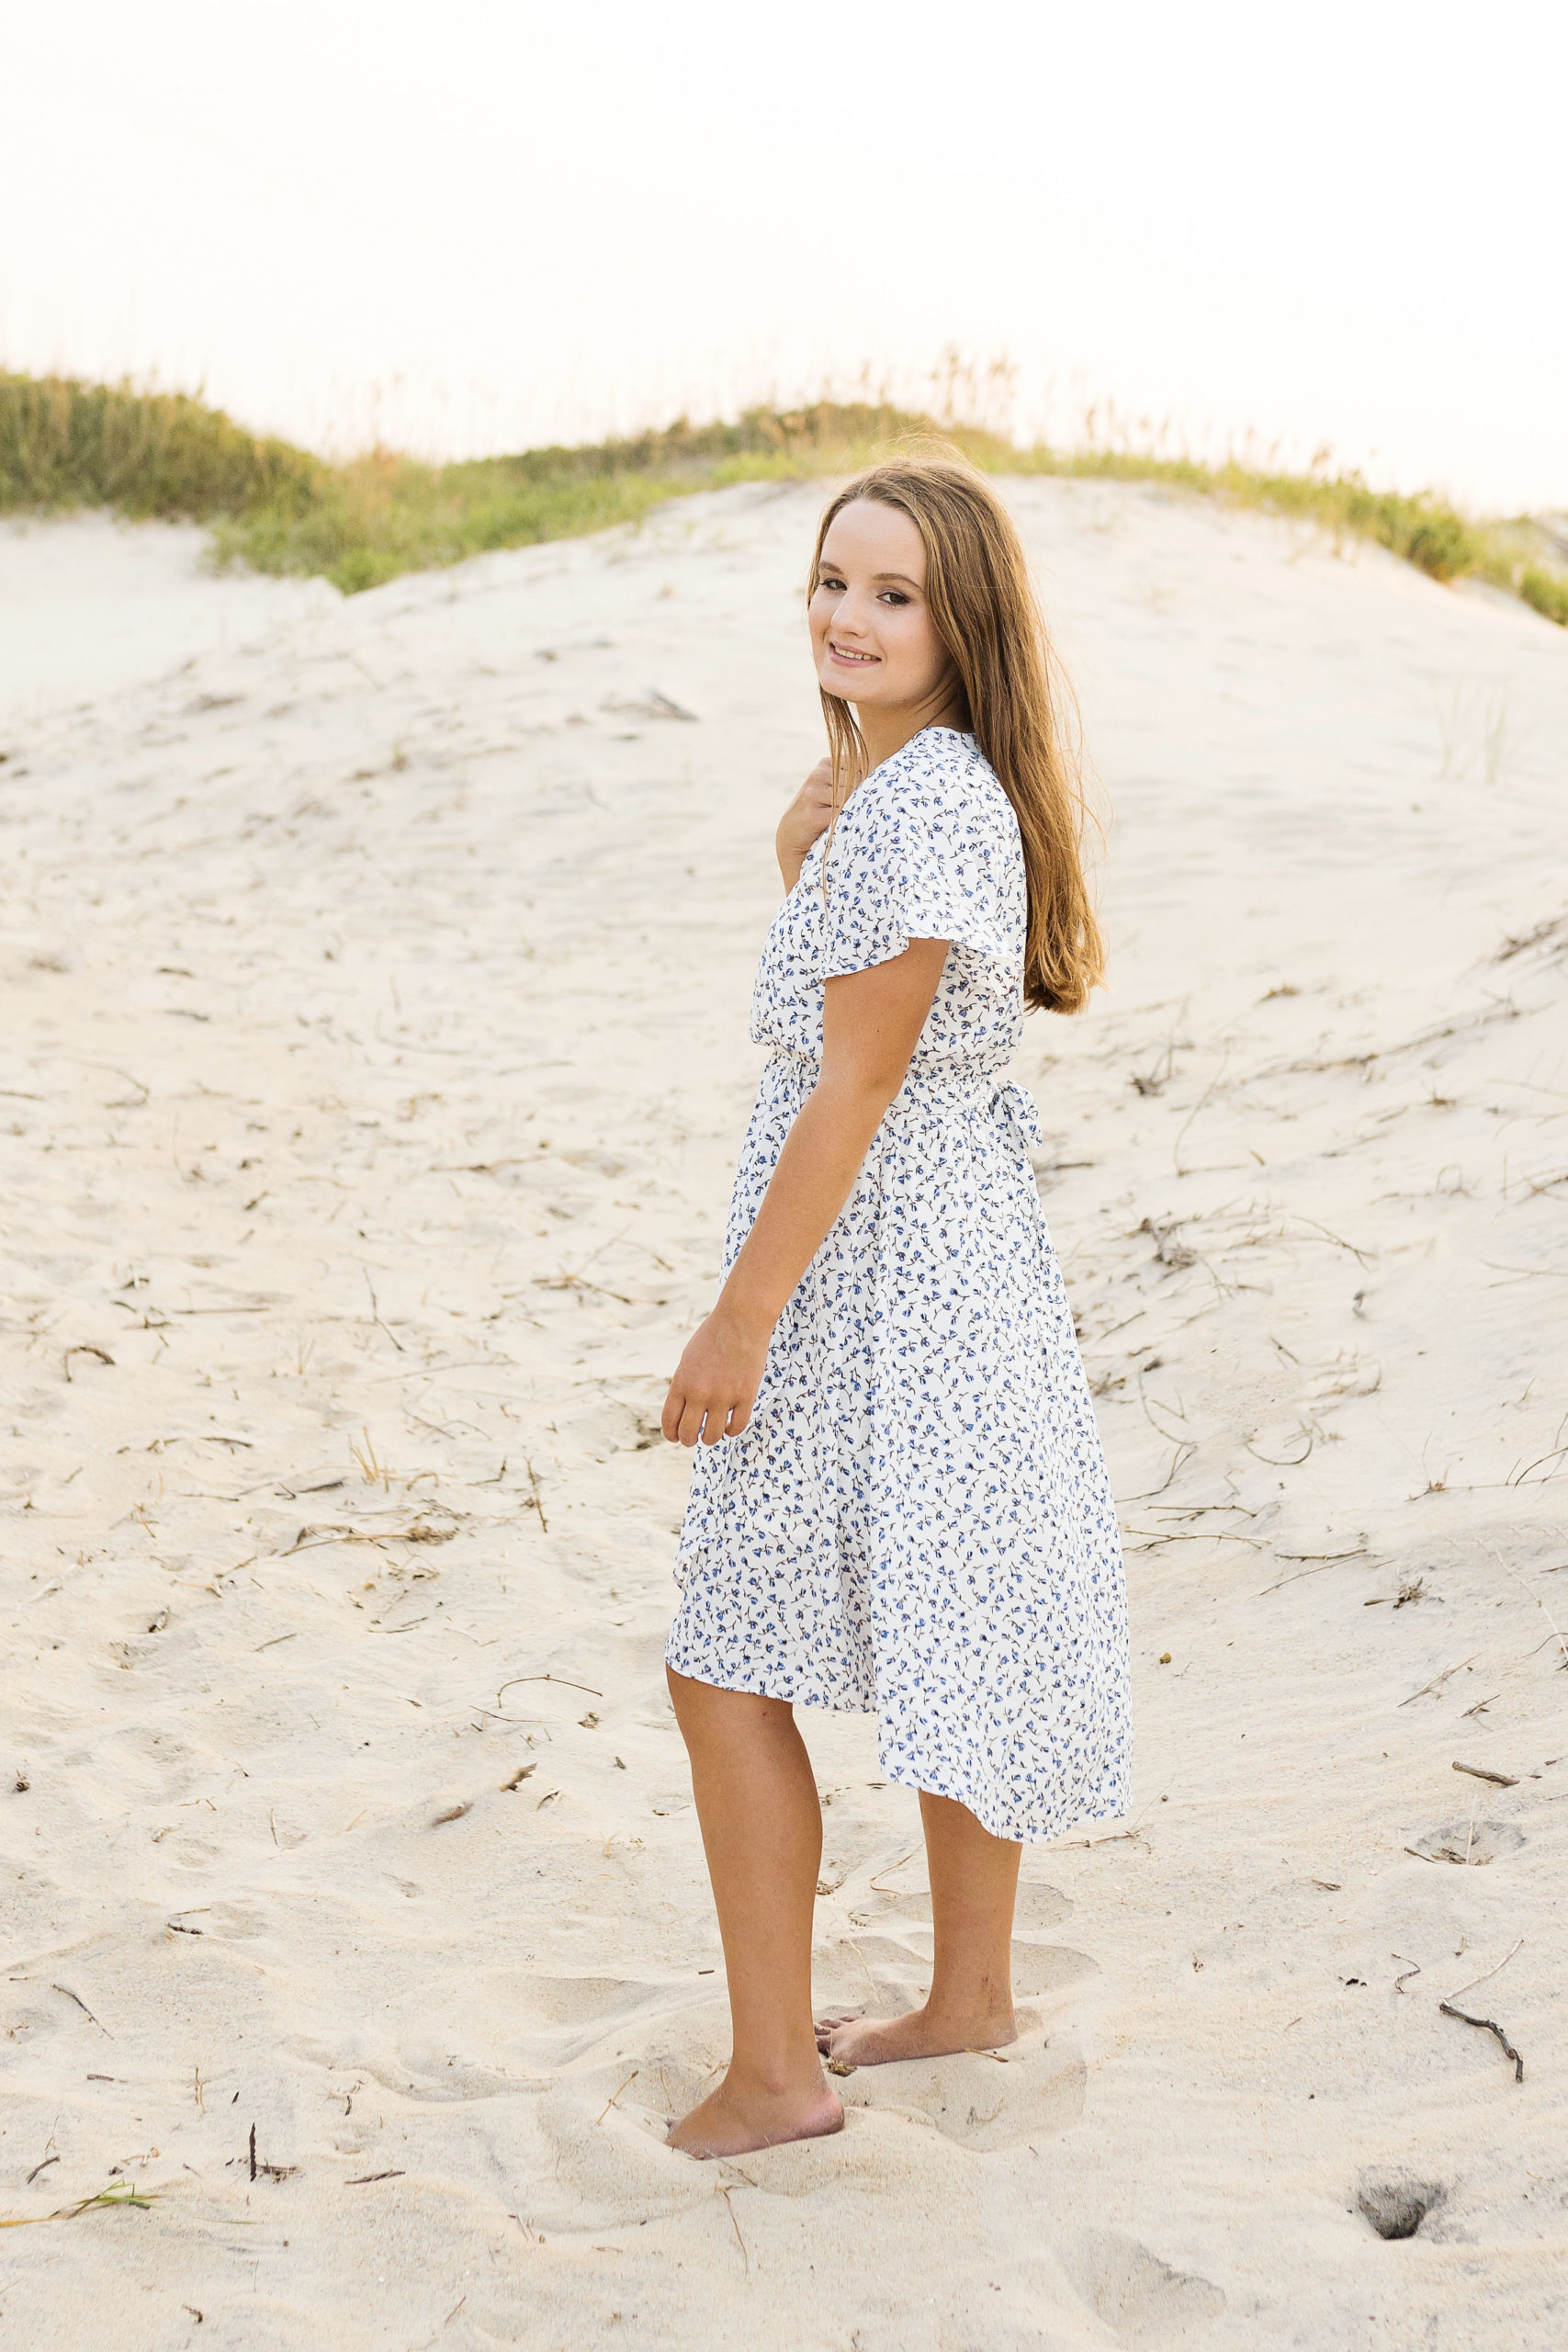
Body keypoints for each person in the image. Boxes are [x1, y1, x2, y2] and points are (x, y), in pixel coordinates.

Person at [660, 455, 1130, 2159]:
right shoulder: (914, 788)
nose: (848, 617)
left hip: (879, 1278)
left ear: (961, 619)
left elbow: (851, 1092)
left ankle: (780, 2080)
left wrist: (739, 1322)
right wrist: (807, 852)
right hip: (946, 1260)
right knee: (960, 1616)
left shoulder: (925, 805)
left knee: (722, 1662)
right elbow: (895, 1041)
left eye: (894, 593)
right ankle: (972, 2000)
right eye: (833, 582)